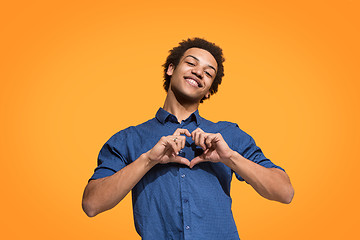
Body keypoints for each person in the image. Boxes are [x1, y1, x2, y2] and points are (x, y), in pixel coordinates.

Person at [82, 37, 294, 240]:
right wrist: (148, 160)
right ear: (171, 69)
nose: (198, 72)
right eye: (191, 63)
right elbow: (92, 204)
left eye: (208, 73)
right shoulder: (128, 139)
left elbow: (284, 192)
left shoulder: (228, 135)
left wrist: (230, 158)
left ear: (209, 91)